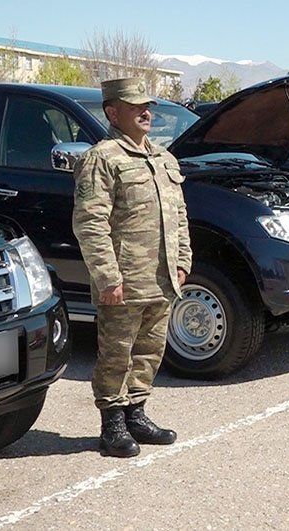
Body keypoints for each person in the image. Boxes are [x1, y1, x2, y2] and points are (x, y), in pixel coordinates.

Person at [72, 78, 191, 458]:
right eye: (136, 106)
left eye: (148, 106)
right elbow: (90, 223)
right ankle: (112, 425)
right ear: (112, 112)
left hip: (163, 278)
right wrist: (107, 277)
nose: (146, 112)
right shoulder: (102, 159)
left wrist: (184, 261)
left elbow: (180, 217)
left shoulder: (163, 158)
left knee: (149, 351)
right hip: (124, 281)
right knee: (116, 354)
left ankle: (137, 414)